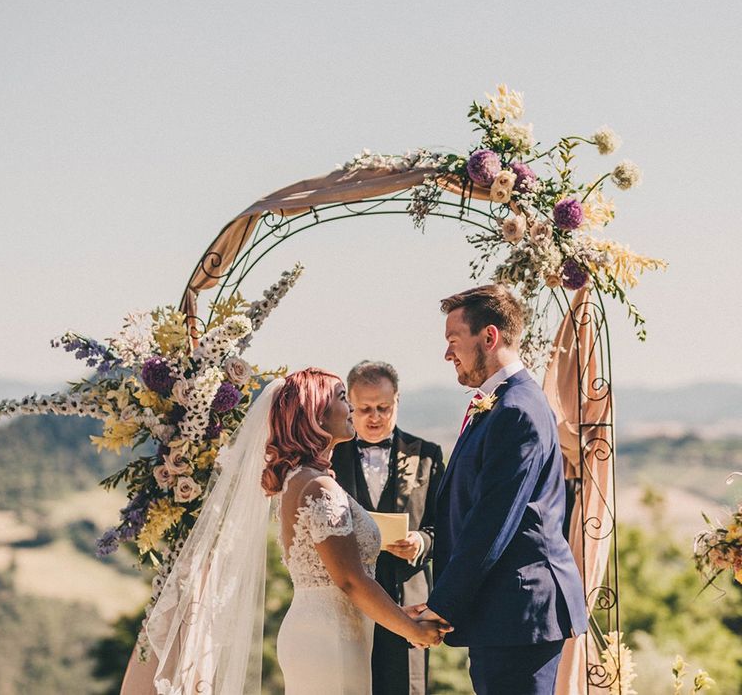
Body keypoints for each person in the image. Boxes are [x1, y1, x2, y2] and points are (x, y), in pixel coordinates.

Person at [143, 368, 450, 695]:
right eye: (343, 399)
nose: (352, 411)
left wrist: (399, 614)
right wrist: (411, 630)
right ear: (318, 413)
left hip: (327, 632)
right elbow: (350, 580)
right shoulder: (319, 487)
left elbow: (335, 580)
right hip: (329, 640)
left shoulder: (300, 479)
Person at [417, 285, 588, 695]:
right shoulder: (504, 403)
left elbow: (491, 523)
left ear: (489, 337)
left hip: (519, 613)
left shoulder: (516, 410)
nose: (447, 354)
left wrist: (441, 607)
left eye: (453, 341)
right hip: (503, 613)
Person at [331, 360, 444, 695]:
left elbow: (448, 528)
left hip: (409, 601)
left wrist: (420, 542)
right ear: (349, 405)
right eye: (364, 409)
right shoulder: (329, 457)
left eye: (383, 407)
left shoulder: (428, 455)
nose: (375, 417)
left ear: (398, 401)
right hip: (345, 603)